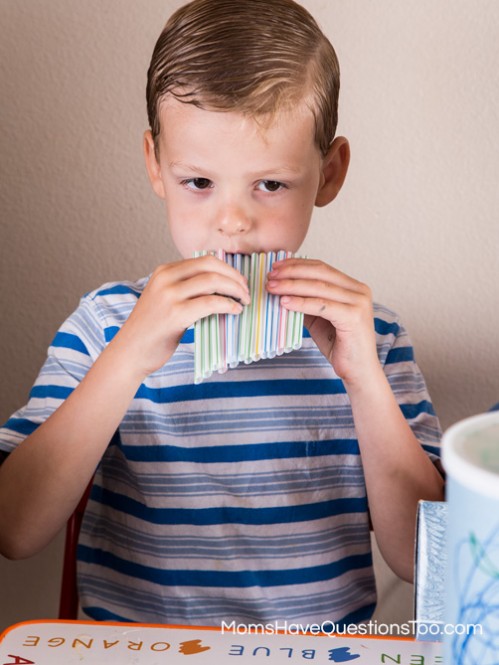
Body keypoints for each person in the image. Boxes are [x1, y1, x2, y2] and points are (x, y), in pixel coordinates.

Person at [0, 0, 444, 626]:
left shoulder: (373, 338)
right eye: (199, 182)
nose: (233, 222)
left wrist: (364, 379)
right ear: (156, 164)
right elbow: (14, 531)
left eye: (270, 184)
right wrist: (126, 359)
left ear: (329, 173)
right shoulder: (105, 325)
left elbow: (428, 562)